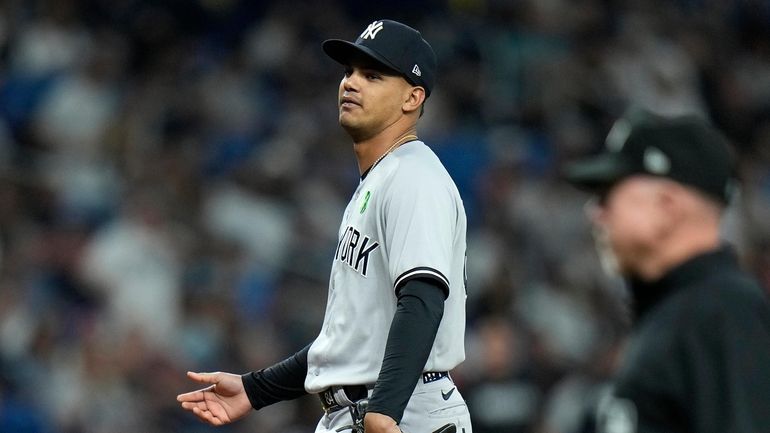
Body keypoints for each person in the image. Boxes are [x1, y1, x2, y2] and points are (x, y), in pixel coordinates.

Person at [177, 19, 472, 433]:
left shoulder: (414, 178)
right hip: (361, 410)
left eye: (372, 75)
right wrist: (256, 389)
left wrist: (385, 412)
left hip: (406, 411)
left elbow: (423, 298)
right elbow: (350, 340)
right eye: (349, 71)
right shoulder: (382, 179)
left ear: (412, 97)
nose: (351, 83)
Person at [563, 111, 770, 433]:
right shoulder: (676, 314)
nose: (594, 212)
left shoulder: (721, 312)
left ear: (667, 206)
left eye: (608, 195)